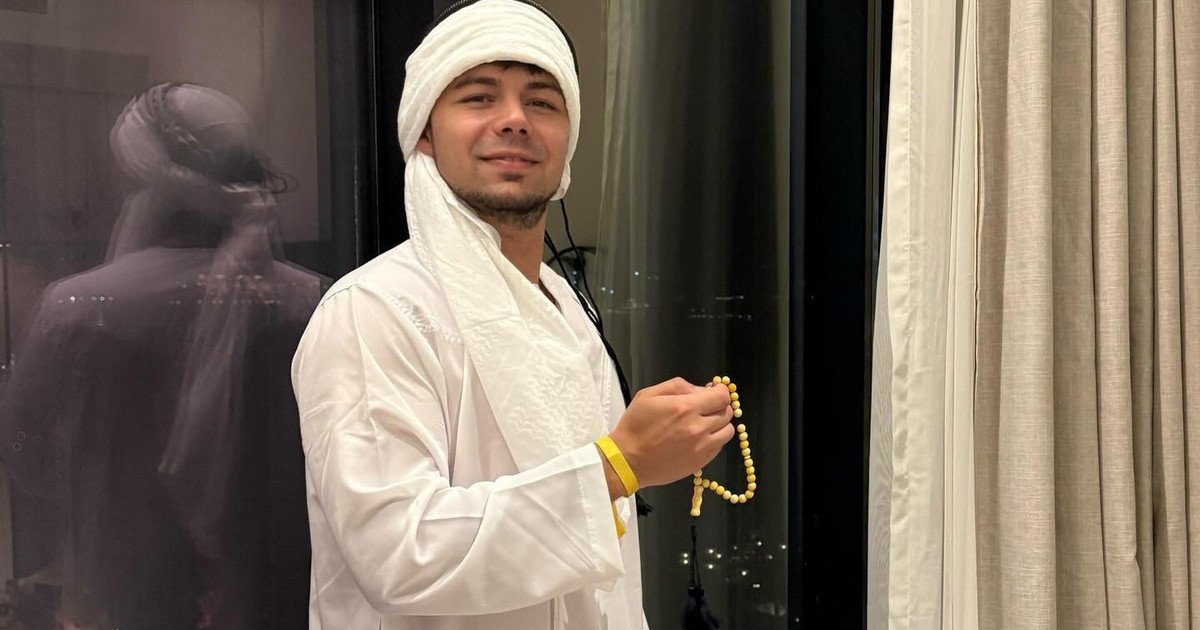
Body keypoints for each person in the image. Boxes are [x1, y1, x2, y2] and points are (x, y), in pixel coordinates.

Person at [290, 1, 736, 628]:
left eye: (542, 102)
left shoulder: (564, 309)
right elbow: (398, 554)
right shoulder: (376, 312)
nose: (515, 120)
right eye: (478, 97)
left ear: (568, 140)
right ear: (424, 131)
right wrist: (619, 465)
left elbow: (607, 581)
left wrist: (633, 459)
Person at [0, 82, 321, 630]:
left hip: (124, 591)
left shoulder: (77, 307)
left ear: (143, 183)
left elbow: (27, 455)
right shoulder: (312, 299)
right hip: (277, 588)